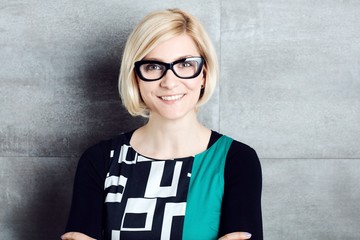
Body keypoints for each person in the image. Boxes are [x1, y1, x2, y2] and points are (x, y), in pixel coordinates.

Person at [62, 8, 263, 240]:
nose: (170, 82)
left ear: (204, 74)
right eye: (154, 66)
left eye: (185, 64)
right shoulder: (99, 160)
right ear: (135, 77)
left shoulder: (237, 161)